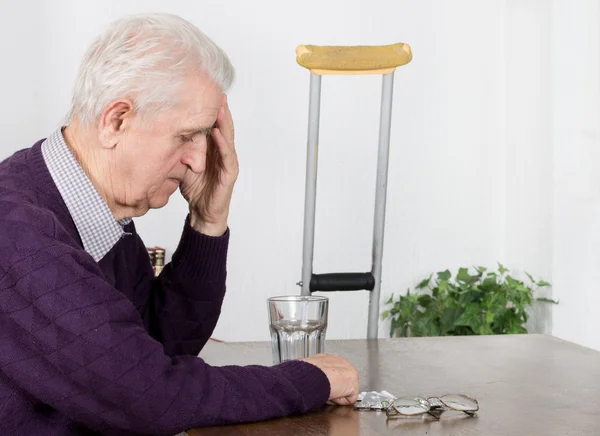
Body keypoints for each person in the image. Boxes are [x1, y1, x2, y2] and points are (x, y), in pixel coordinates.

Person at [0, 13, 358, 436]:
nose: (199, 161)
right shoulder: (19, 234)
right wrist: (309, 379)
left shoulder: (97, 216)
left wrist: (208, 222)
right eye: (187, 135)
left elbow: (155, 347)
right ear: (117, 120)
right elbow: (150, 395)